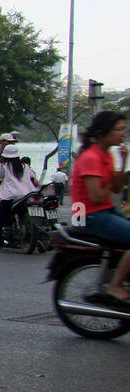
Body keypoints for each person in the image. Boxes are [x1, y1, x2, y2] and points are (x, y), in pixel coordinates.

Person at [69, 111, 129, 302]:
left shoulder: (107, 155)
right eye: (118, 129)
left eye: (123, 129)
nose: (122, 133)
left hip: (104, 211)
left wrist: (122, 162)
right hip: (90, 216)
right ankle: (116, 286)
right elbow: (96, 196)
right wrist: (112, 181)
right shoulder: (91, 157)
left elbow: (118, 188)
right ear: (103, 132)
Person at [0, 144, 38, 250]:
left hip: (10, 196)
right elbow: (34, 178)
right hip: (26, 195)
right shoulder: (25, 166)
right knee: (24, 214)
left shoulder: (4, 166)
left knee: (0, 217)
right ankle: (37, 238)